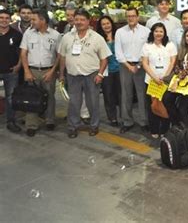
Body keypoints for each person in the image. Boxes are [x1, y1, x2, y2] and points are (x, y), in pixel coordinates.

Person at [58, 8, 111, 138]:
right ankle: (73, 126)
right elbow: (63, 57)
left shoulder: (97, 38)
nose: (79, 22)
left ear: (88, 21)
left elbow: (104, 58)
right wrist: (61, 74)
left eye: (82, 19)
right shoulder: (67, 37)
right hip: (72, 75)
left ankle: (94, 125)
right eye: (77, 19)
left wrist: (100, 74)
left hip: (92, 75)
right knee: (74, 102)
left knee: (92, 102)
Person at [20, 8, 61, 136]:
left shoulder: (55, 35)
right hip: (32, 70)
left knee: (49, 96)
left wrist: (53, 71)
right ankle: (32, 124)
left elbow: (59, 55)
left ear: (42, 20)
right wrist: (26, 71)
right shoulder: (28, 33)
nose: (31, 21)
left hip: (48, 71)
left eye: (34, 19)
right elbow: (23, 53)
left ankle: (50, 120)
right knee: (31, 97)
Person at [115, 7, 150, 133]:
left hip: (142, 66)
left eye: (133, 16)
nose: (131, 18)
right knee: (126, 95)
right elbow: (118, 52)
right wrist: (129, 66)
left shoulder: (146, 31)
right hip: (125, 67)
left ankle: (144, 121)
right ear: (126, 17)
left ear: (138, 16)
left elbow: (148, 50)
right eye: (128, 16)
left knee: (142, 95)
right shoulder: (120, 32)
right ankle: (127, 121)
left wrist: (139, 65)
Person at [141, 23, 177, 138]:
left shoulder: (170, 45)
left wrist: (165, 76)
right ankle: (154, 129)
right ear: (152, 32)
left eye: (161, 31)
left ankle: (165, 129)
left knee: (165, 104)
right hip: (151, 81)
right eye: (156, 31)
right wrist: (154, 77)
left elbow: (172, 61)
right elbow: (145, 63)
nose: (158, 34)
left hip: (165, 82)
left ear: (164, 33)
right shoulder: (147, 46)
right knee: (153, 105)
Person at [0, 9, 22, 133]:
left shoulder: (16, 34)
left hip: (11, 71)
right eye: (1, 17)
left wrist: (18, 66)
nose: (3, 20)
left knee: (10, 97)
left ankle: (11, 121)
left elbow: (22, 53)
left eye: (6, 18)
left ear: (10, 19)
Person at [96, 16, 120, 127]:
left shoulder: (118, 35)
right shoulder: (98, 39)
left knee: (121, 94)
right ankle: (112, 118)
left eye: (108, 23)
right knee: (108, 95)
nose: (106, 26)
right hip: (106, 71)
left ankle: (123, 116)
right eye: (103, 24)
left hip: (120, 70)